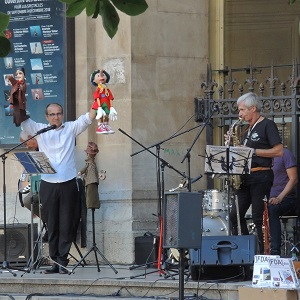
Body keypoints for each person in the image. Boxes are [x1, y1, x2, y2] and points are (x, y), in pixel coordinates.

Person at [20, 102, 96, 274]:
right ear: (47, 117)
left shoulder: (70, 128)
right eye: (52, 114)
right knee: (52, 224)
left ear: (62, 114)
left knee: (67, 223)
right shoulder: (40, 130)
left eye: (59, 114)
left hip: (68, 183)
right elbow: (24, 121)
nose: (56, 117)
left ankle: (63, 260)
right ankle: (55, 261)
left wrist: (99, 97)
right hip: (48, 184)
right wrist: (18, 102)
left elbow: (88, 118)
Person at [229, 92, 283, 254]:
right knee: (234, 216)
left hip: (261, 176)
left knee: (258, 218)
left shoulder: (267, 125)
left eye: (242, 110)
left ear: (253, 108)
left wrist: (252, 151)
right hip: (245, 178)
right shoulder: (245, 129)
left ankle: (260, 256)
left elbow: (279, 151)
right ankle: (246, 253)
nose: (240, 114)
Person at [268, 148, 298, 256]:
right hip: (267, 198)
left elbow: (294, 179)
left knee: (273, 208)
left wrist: (279, 198)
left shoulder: (286, 153)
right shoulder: (262, 157)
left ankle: (275, 252)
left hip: (287, 198)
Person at [90, 69, 117, 134]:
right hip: (100, 105)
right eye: (98, 75)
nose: (101, 77)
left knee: (107, 115)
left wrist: (111, 107)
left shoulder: (107, 90)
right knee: (101, 116)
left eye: (103, 75)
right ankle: (100, 125)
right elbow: (97, 98)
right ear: (94, 80)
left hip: (107, 105)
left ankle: (106, 125)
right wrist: (99, 107)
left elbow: (110, 98)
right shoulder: (98, 90)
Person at [78, 142, 101, 209]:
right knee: (90, 196)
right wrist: (81, 172)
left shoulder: (91, 162)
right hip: (91, 181)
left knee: (91, 196)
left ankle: (92, 205)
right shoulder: (90, 162)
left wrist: (81, 172)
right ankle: (92, 205)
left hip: (91, 181)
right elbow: (85, 168)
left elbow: (86, 169)